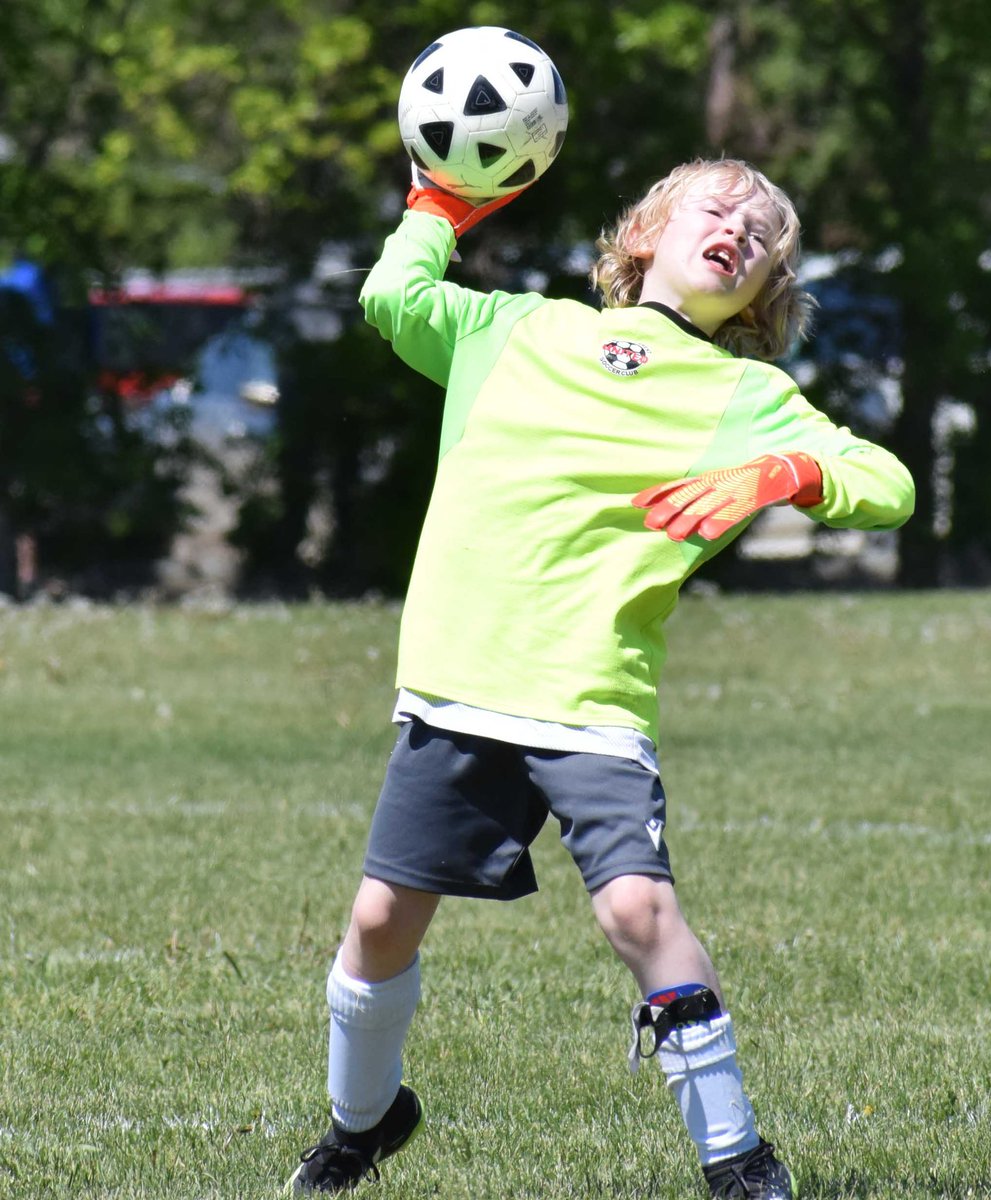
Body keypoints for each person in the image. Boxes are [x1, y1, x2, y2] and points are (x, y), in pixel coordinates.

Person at [289, 157, 915, 1199]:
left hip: (588, 695)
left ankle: (739, 1161)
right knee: (377, 926)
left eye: (764, 237)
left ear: (764, 295)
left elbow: (886, 486)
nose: (739, 230)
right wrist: (436, 208)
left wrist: (788, 469)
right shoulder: (518, 331)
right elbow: (392, 297)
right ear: (643, 235)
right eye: (717, 208)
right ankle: (365, 1122)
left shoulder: (747, 395)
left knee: (636, 912)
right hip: (458, 680)